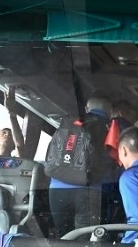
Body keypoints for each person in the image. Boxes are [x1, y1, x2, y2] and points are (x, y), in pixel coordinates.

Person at [48, 95, 121, 237]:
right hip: (88, 191)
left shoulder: (69, 122)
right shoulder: (110, 126)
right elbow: (115, 160)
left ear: (87, 108)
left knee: (63, 238)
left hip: (56, 188)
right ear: (110, 111)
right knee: (85, 243)